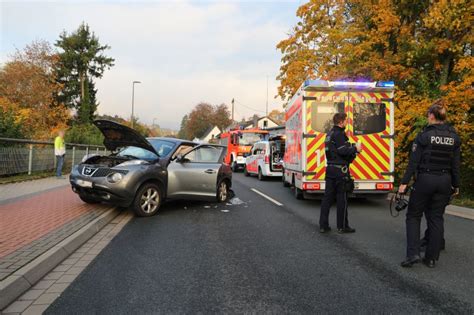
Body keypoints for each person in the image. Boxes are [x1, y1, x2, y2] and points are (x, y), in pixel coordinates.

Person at [399, 101, 460, 268]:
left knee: (413, 216)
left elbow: (413, 162)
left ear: (432, 116)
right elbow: (455, 165)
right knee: (436, 218)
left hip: (425, 179)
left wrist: (404, 183)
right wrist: (456, 185)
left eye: (428, 115)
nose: (427, 117)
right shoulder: (454, 137)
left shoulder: (424, 136)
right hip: (444, 181)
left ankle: (412, 254)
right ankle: (431, 258)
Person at [319, 113, 362, 234]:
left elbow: (336, 150)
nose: (347, 123)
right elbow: (342, 150)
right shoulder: (339, 134)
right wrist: (356, 149)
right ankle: (342, 226)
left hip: (330, 169)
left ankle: (323, 225)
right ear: (341, 122)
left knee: (327, 198)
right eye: (346, 121)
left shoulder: (329, 134)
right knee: (342, 199)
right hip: (340, 171)